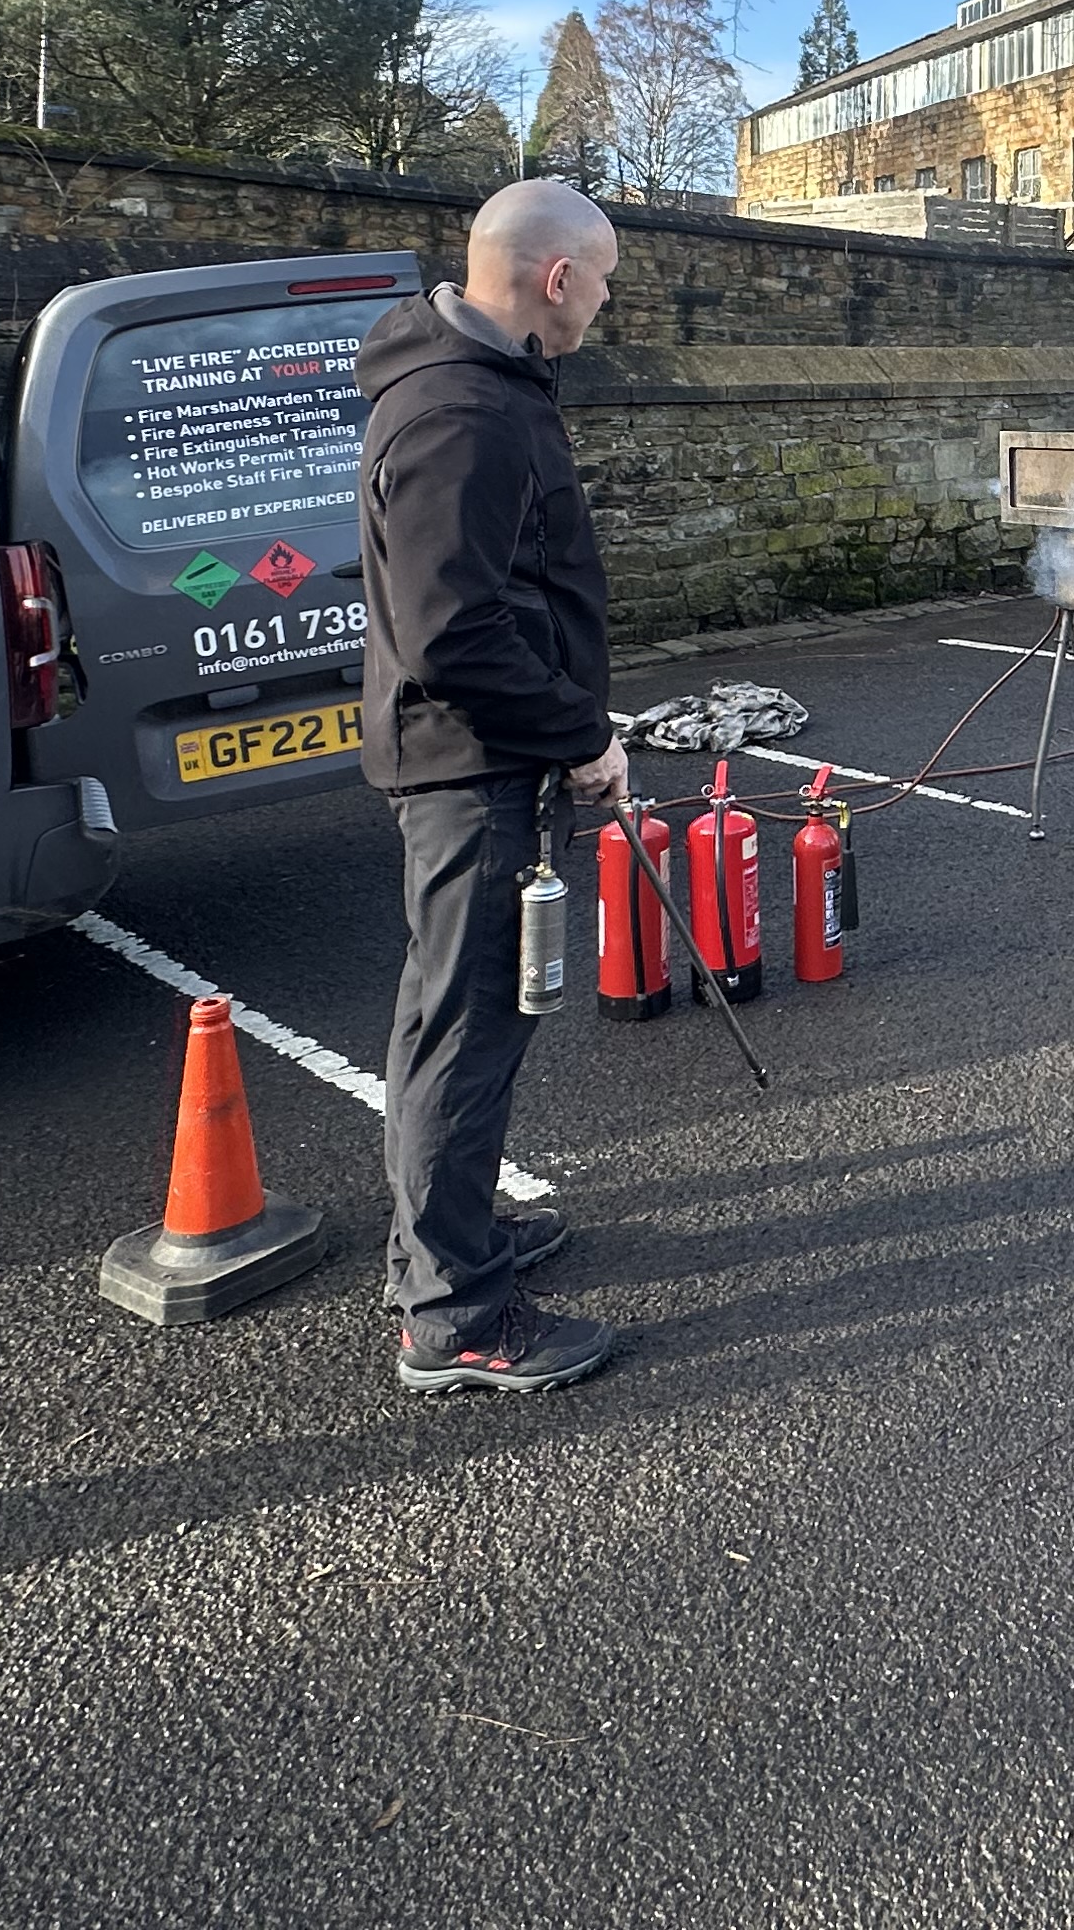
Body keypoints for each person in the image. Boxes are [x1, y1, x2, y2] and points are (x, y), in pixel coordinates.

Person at [353, 180, 633, 1394]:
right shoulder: (460, 412)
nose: (605, 304)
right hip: (476, 769)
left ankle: (445, 1239)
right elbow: (453, 632)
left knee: (454, 1021)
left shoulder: (489, 386)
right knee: (466, 1030)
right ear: (556, 278)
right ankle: (455, 1315)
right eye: (603, 281)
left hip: (482, 758)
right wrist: (580, 735)